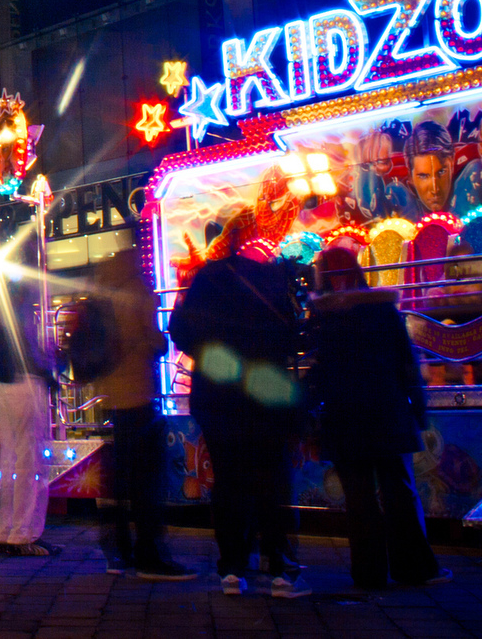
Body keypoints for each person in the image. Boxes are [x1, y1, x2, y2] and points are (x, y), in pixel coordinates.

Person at [306, 248, 452, 589]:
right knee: (399, 492)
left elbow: (320, 371)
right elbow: (406, 362)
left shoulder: (324, 317)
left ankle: (369, 573)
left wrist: (307, 412)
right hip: (387, 411)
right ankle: (414, 567)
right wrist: (418, 407)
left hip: (344, 415)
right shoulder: (381, 308)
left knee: (359, 498)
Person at [168, 253, 309, 597]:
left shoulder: (207, 281)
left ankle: (231, 568)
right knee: (271, 479)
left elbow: (180, 331)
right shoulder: (270, 283)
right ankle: (281, 568)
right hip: (265, 391)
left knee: (229, 481)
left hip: (217, 395)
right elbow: (293, 336)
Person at [90, 250, 196, 580]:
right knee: (148, 480)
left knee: (121, 479)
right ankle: (150, 556)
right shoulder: (137, 289)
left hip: (112, 395)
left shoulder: (102, 289)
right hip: (138, 392)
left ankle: (117, 553)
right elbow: (152, 340)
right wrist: (158, 342)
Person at [0, 280, 61, 557]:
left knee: (10, 458)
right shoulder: (21, 310)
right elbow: (27, 349)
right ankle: (23, 533)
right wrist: (50, 366)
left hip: (2, 385)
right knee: (30, 461)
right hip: (25, 384)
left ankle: (3, 529)